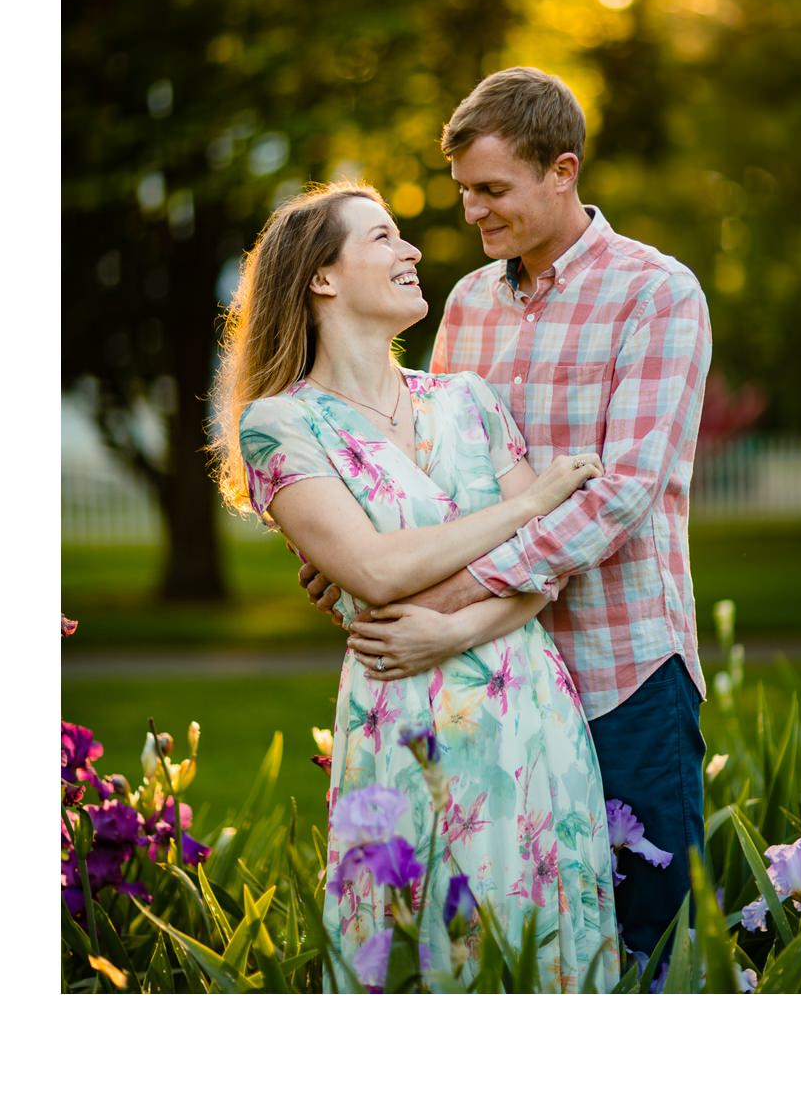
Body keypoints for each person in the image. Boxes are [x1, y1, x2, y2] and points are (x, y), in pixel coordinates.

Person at [304, 68, 713, 969]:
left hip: (620, 669)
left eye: (492, 191)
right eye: (463, 194)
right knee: (505, 944)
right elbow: (432, 466)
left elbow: (623, 492)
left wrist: (451, 595)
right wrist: (356, 548)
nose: (473, 215)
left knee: (651, 945)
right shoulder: (469, 304)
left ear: (561, 171)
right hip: (487, 687)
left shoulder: (658, 294)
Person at [211, 183, 618, 991]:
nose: (414, 252)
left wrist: (459, 628)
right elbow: (373, 570)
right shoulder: (281, 425)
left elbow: (549, 567)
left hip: (528, 712)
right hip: (407, 722)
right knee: (421, 950)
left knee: (542, 956)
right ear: (322, 277)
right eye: (385, 238)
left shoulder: (469, 400)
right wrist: (532, 502)